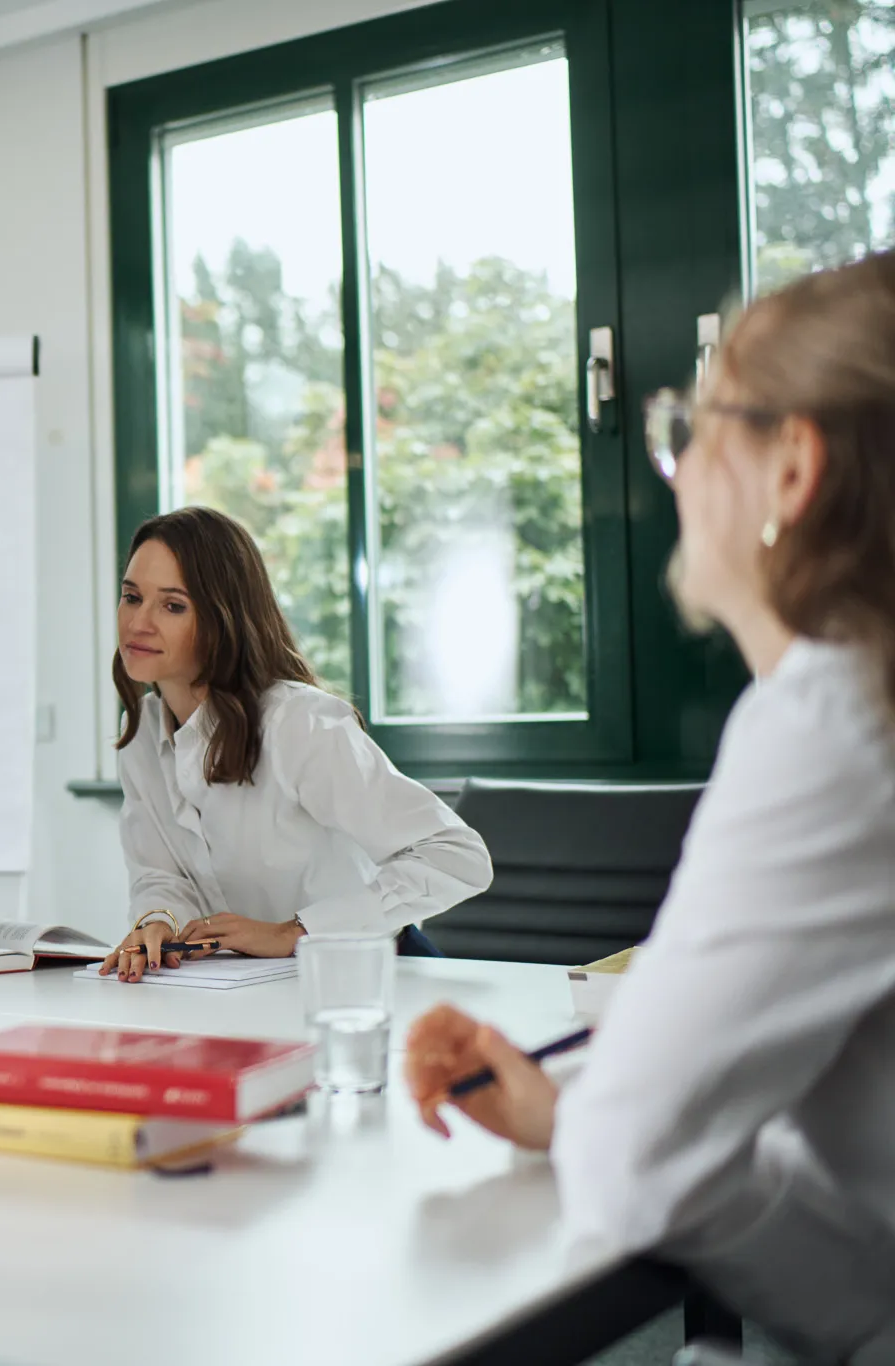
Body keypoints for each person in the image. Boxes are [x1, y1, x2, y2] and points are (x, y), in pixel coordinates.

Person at [404, 253, 895, 1363]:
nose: (672, 471)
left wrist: (864, 1323)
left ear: (790, 469)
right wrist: (567, 1118)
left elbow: (639, 1162)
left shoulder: (830, 721)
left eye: (694, 423)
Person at [97, 506, 491, 981]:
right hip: (256, 988)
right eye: (131, 597)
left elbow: (456, 855)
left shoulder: (300, 724)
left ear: (223, 618)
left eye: (173, 605)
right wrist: (159, 923)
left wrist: (296, 931)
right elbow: (162, 875)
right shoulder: (140, 733)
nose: (139, 623)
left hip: (377, 976)